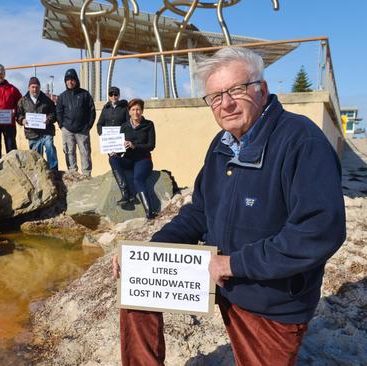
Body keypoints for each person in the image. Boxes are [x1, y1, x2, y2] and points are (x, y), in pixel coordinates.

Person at [114, 47, 346, 365]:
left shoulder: (301, 142)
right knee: (135, 281)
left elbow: (320, 230)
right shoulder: (221, 144)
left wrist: (234, 264)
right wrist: (147, 254)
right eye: (215, 96)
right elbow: (199, 211)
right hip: (216, 277)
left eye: (236, 89)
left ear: (261, 90)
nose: (226, 103)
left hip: (270, 297)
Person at [109, 98, 156, 219]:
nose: (136, 112)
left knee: (138, 179)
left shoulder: (149, 125)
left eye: (138, 109)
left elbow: (151, 146)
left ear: (142, 111)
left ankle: (149, 213)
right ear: (129, 111)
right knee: (113, 159)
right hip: (129, 159)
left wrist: (134, 146)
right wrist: (115, 152)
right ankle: (126, 195)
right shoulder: (124, 126)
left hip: (143, 160)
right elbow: (121, 148)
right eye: (133, 109)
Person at [56, 68, 96, 176]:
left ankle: (87, 174)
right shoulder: (62, 96)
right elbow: (58, 112)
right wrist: (62, 126)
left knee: (85, 152)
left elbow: (92, 110)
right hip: (67, 130)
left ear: (76, 80)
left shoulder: (85, 94)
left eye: (72, 79)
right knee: (69, 152)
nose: (70, 82)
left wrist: (88, 125)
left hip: (82, 130)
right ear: (65, 81)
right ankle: (73, 174)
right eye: (67, 80)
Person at [16, 77, 58, 171]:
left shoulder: (47, 100)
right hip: (32, 134)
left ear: (40, 88)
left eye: (37, 87)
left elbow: (54, 113)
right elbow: (18, 115)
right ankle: (39, 173)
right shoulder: (22, 101)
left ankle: (54, 171)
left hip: (46, 132)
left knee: (50, 147)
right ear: (28, 88)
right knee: (36, 157)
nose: (35, 89)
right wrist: (22, 120)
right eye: (33, 87)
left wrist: (49, 119)